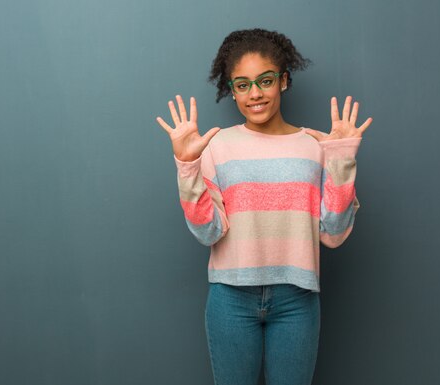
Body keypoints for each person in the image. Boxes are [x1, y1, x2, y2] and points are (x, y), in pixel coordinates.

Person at [155, 29, 372, 385]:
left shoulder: (317, 146)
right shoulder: (216, 146)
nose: (255, 93)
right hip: (230, 298)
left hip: (297, 299)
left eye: (265, 80)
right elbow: (207, 231)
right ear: (232, 89)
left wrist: (342, 162)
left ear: (283, 81)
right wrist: (187, 166)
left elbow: (333, 234)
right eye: (242, 84)